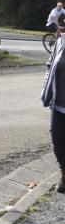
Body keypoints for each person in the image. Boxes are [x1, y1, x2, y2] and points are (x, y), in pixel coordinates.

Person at [42, 30, 65, 193]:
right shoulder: (61, 42)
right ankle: (64, 173)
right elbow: (50, 65)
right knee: (58, 141)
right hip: (59, 105)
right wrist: (46, 88)